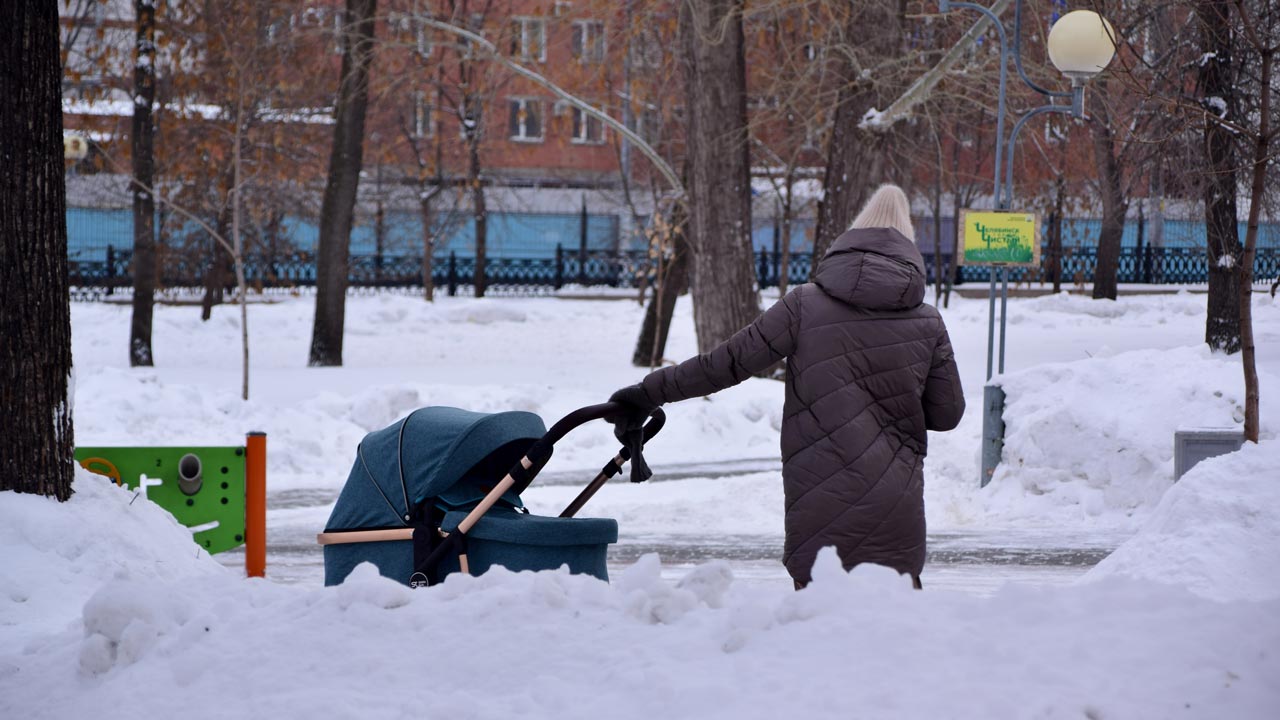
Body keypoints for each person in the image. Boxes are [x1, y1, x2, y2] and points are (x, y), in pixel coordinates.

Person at [609, 184, 965, 589]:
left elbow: (724, 365)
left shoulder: (804, 305)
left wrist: (646, 393)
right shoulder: (928, 322)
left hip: (820, 506)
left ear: (850, 240)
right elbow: (947, 414)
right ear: (908, 250)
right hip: (895, 512)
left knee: (812, 633)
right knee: (896, 637)